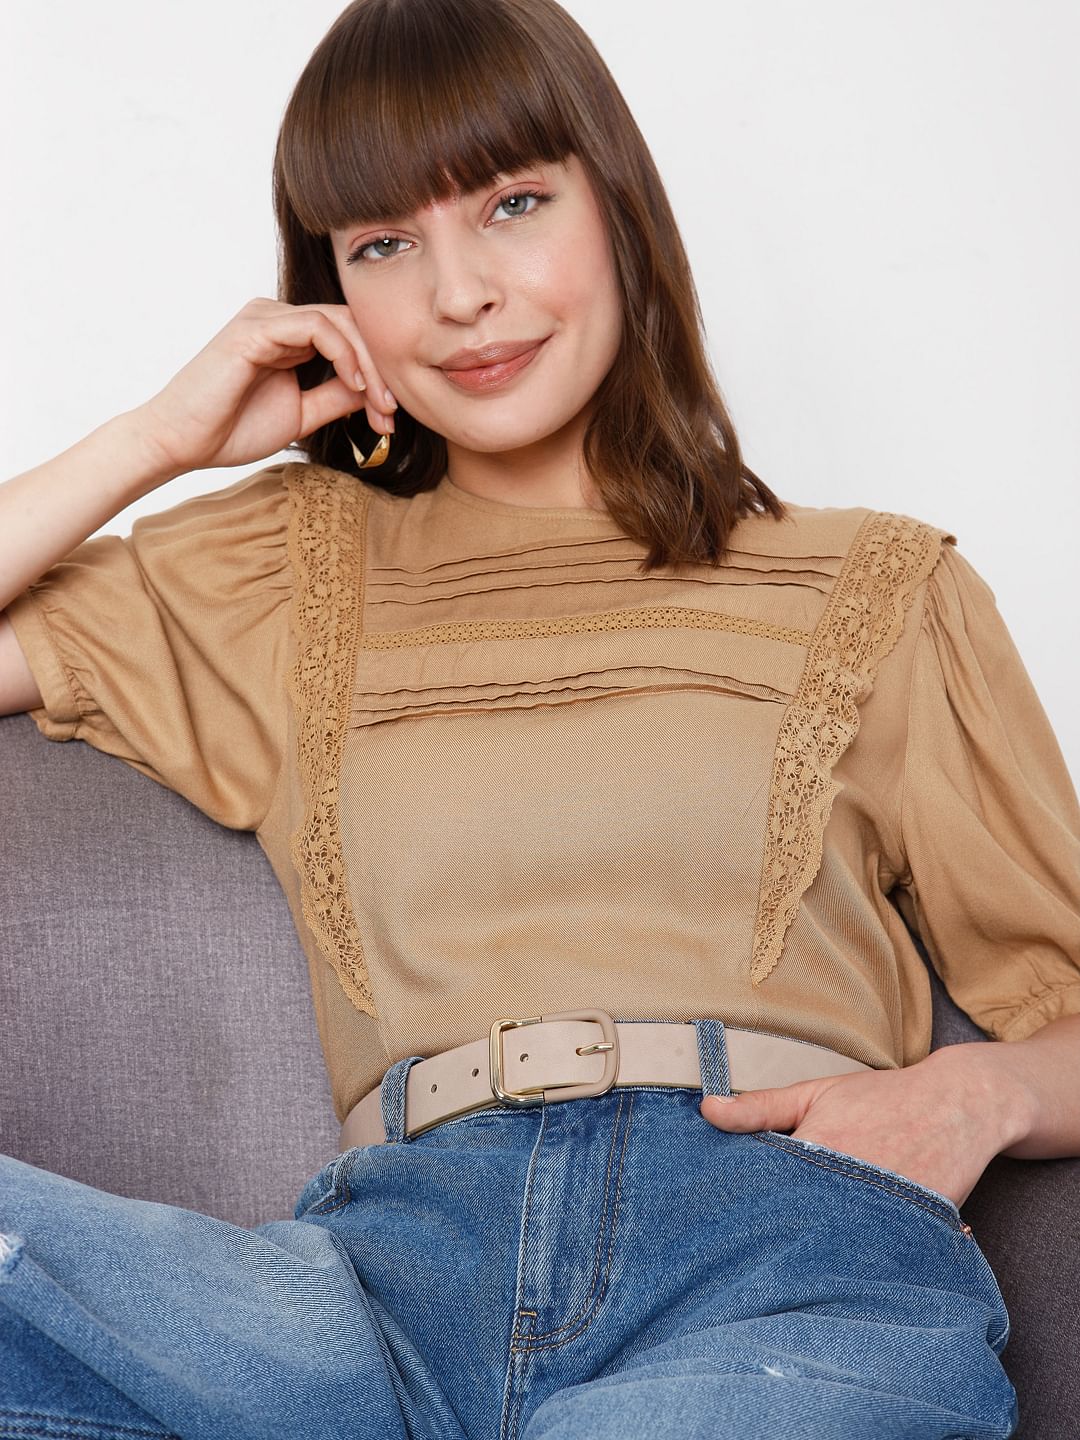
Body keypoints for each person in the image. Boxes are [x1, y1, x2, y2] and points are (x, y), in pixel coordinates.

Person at [1, 0, 1078, 1436]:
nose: (460, 294)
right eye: (384, 244)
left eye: (513, 205)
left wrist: (979, 1097)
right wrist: (158, 437)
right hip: (376, 1303)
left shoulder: (876, 588)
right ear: (332, 291)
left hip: (779, 1274)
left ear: (615, 209)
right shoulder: (284, 574)